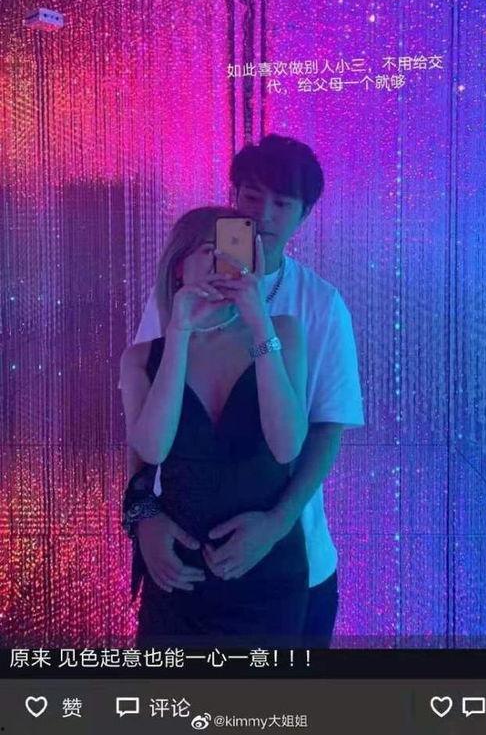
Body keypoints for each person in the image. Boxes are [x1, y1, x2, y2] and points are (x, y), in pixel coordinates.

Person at [123, 134, 364, 647]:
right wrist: (143, 515)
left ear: (304, 215)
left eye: (283, 203)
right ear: (233, 196)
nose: (264, 215)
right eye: (253, 196)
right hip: (184, 558)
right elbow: (145, 420)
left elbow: (326, 430)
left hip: (289, 555)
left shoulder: (319, 306)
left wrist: (277, 523)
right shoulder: (179, 298)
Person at [120, 205, 310, 646]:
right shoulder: (141, 358)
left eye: (233, 249)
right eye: (209, 249)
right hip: (178, 574)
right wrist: (180, 333)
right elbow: (152, 449)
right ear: (179, 265)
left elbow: (287, 447)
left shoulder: (283, 332)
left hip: (268, 571)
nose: (223, 260)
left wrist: (258, 322)